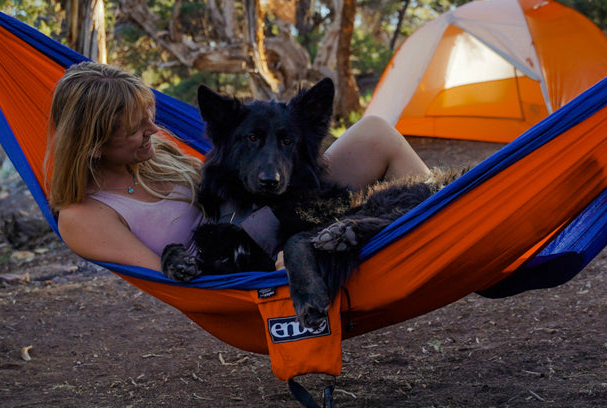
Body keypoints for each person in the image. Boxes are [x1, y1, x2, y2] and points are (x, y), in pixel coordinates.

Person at [46, 62, 429, 271]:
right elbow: (175, 278)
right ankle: (436, 236)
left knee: (376, 131)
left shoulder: (151, 156)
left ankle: (446, 216)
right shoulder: (85, 216)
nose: (154, 131)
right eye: (136, 128)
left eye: (149, 117)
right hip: (247, 267)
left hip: (279, 210)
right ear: (93, 146)